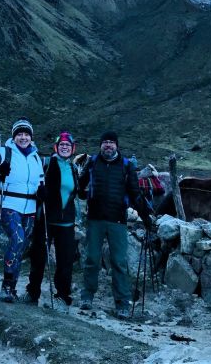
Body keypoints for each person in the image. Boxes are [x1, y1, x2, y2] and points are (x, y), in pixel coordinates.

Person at [77, 131, 144, 319]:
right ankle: (87, 296)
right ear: (101, 145)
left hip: (118, 221)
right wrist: (82, 193)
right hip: (95, 219)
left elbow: (135, 192)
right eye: (105, 142)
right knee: (92, 259)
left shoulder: (126, 166)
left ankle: (122, 302)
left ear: (117, 146)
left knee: (119, 262)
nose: (108, 145)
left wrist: (145, 215)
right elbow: (80, 186)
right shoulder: (92, 163)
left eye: (111, 142)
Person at [0, 118, 44, 303]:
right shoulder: (4, 152)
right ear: (14, 136)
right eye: (19, 134)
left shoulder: (37, 157)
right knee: (18, 238)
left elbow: (39, 181)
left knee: (21, 246)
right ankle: (6, 286)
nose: (23, 137)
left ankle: (12, 287)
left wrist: (42, 190)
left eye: (26, 134)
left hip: (30, 208)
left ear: (31, 136)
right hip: (9, 204)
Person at [26, 131, 79, 307]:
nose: (65, 147)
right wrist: (39, 193)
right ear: (56, 147)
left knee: (65, 260)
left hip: (67, 222)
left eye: (68, 145)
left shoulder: (73, 168)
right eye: (61, 145)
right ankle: (32, 292)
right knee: (39, 258)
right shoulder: (47, 164)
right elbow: (34, 183)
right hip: (47, 219)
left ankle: (62, 296)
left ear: (73, 149)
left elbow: (75, 193)